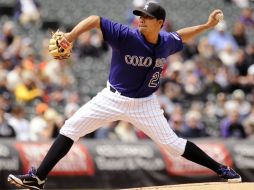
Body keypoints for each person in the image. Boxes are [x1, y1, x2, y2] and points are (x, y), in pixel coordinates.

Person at [7, 2, 242, 189]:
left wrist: (207, 26)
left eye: (147, 17)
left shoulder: (166, 42)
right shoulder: (126, 35)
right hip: (112, 98)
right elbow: (95, 20)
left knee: (173, 144)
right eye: (140, 15)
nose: (141, 19)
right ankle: (38, 178)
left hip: (145, 105)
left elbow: (182, 36)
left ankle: (222, 169)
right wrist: (70, 35)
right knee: (71, 127)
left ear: (160, 23)